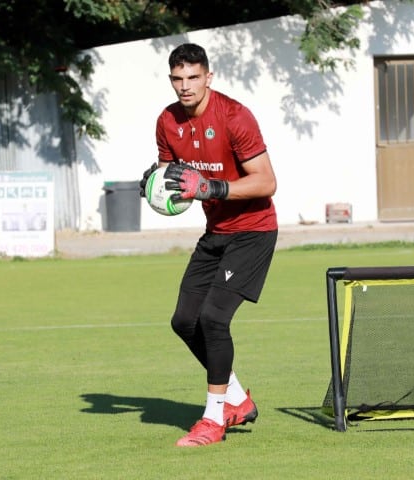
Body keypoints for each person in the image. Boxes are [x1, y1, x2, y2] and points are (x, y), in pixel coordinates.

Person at [139, 43, 278, 447]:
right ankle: (237, 399)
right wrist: (153, 183)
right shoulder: (168, 121)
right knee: (184, 321)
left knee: (214, 319)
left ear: (208, 77)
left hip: (253, 231)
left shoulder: (234, 116)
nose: (185, 86)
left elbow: (266, 181)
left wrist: (212, 187)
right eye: (178, 78)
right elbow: (171, 175)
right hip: (216, 232)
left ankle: (213, 420)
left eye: (193, 77)